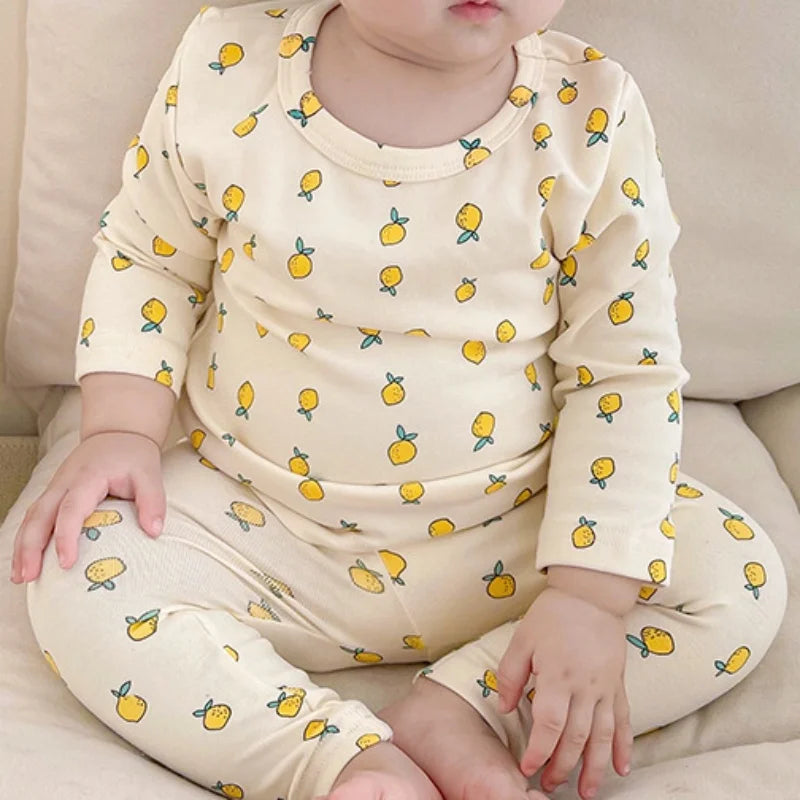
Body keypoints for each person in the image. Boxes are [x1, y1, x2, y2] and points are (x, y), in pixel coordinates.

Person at [10, 1, 787, 799]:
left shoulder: (589, 113)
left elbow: (622, 368)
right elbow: (149, 258)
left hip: (516, 527)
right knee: (76, 571)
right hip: (262, 524)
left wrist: (588, 598)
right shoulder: (226, 67)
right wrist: (121, 429)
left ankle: (469, 707)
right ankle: (330, 758)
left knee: (739, 582)